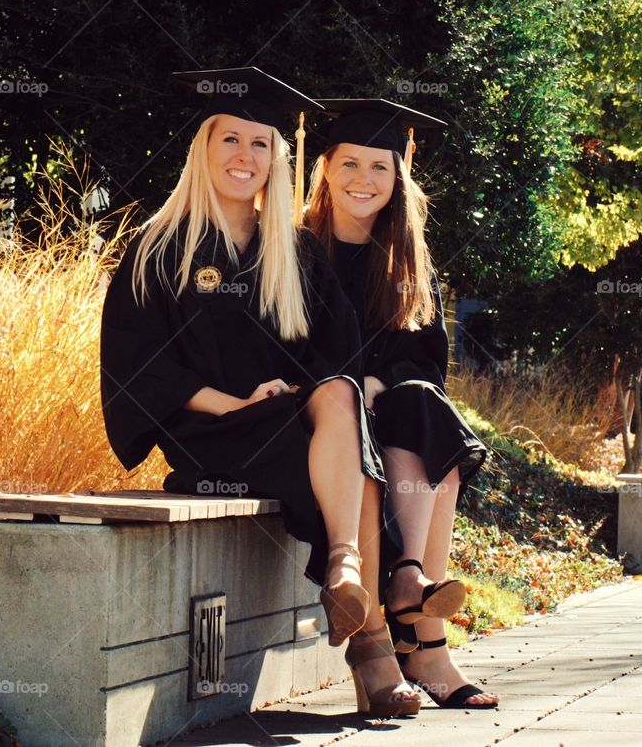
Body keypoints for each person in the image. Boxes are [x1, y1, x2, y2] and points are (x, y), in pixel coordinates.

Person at [100, 70, 420, 717]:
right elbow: (138, 366)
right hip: (210, 437)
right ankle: (370, 644)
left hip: (289, 426)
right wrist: (233, 402)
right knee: (357, 456)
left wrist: (294, 392)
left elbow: (338, 359)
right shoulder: (159, 249)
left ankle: (346, 571)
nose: (245, 157)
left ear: (278, 159)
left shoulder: (297, 253)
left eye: (259, 144)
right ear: (204, 149)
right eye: (231, 141)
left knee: (341, 400)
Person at [304, 99, 498, 709]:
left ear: (399, 177)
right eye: (350, 164)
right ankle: (422, 631)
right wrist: (355, 379)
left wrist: (385, 380)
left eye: (380, 168)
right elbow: (282, 343)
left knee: (421, 402)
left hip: (385, 407)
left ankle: (410, 575)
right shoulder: (297, 250)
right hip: (321, 412)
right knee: (382, 406)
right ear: (326, 168)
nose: (364, 180)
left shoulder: (406, 259)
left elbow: (424, 355)